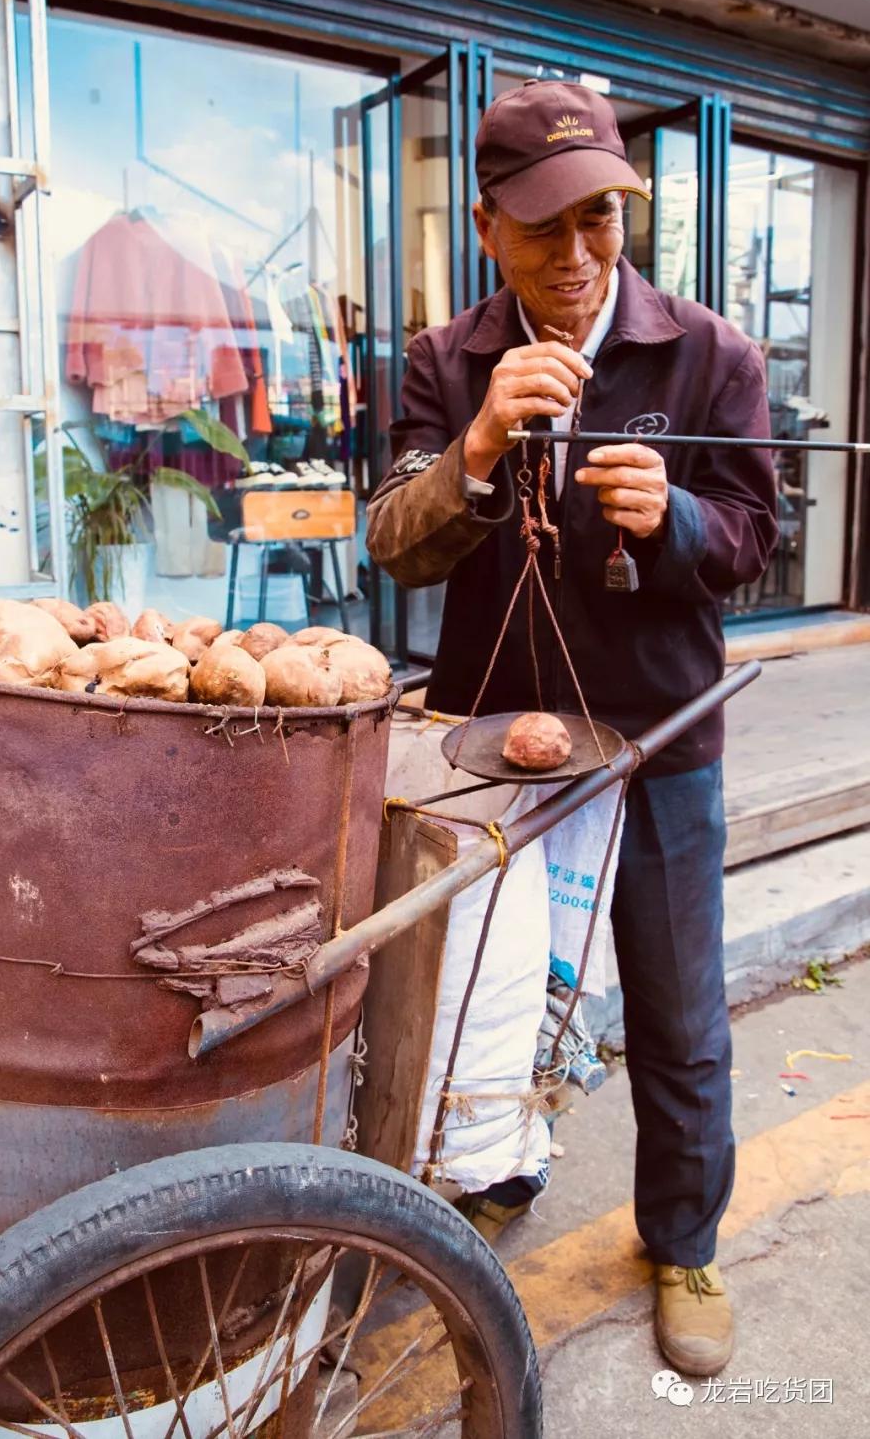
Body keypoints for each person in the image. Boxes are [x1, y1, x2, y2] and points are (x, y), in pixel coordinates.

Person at [366, 78, 778, 1378]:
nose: (578, 252)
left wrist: (680, 520)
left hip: (660, 738)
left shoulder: (709, 355)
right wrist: (480, 446)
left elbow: (756, 539)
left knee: (677, 1007)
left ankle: (686, 1239)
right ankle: (497, 1169)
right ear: (487, 227)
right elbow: (398, 544)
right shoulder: (444, 362)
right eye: (544, 226)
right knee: (484, 993)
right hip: (492, 743)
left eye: (601, 217)